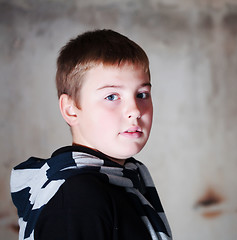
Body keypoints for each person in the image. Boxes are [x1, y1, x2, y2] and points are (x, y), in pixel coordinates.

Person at [10, 29, 172, 240]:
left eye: (142, 94)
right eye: (112, 96)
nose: (135, 110)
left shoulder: (127, 180)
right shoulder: (78, 198)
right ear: (71, 110)